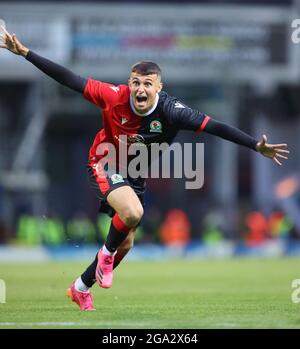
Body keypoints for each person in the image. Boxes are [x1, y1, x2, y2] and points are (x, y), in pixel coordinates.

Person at [0, 27, 289, 311]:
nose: (140, 89)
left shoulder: (173, 112)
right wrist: (25, 52)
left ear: (158, 88)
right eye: (136, 82)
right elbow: (69, 79)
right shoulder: (113, 96)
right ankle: (105, 256)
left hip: (134, 172)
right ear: (129, 83)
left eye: (147, 84)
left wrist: (255, 146)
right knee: (133, 212)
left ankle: (79, 287)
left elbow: (216, 127)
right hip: (103, 160)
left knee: (125, 244)